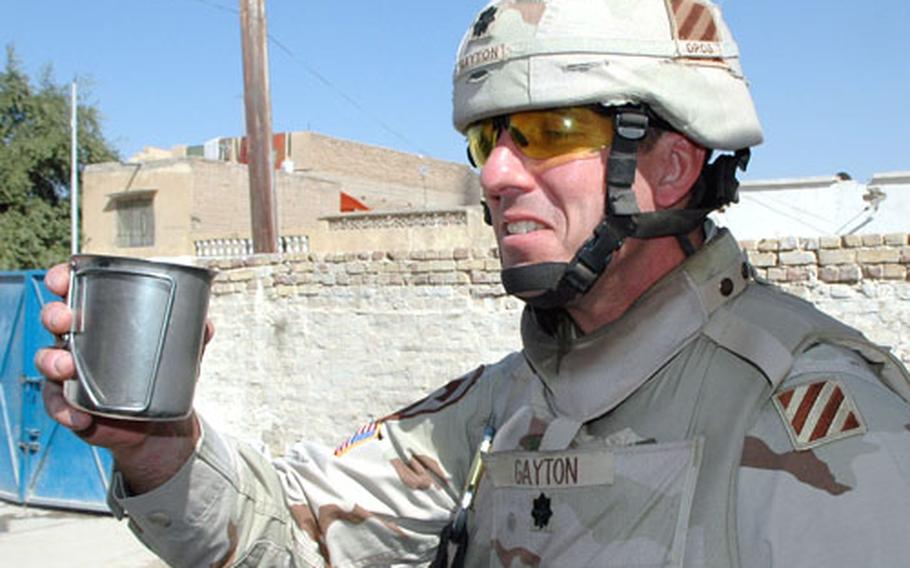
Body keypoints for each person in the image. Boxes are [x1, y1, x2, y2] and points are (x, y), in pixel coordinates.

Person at [36, 1, 910, 566]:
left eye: (546, 128)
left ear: (673, 164)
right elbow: (292, 541)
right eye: (486, 138)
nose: (495, 175)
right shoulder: (501, 404)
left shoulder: (820, 416)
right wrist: (156, 447)